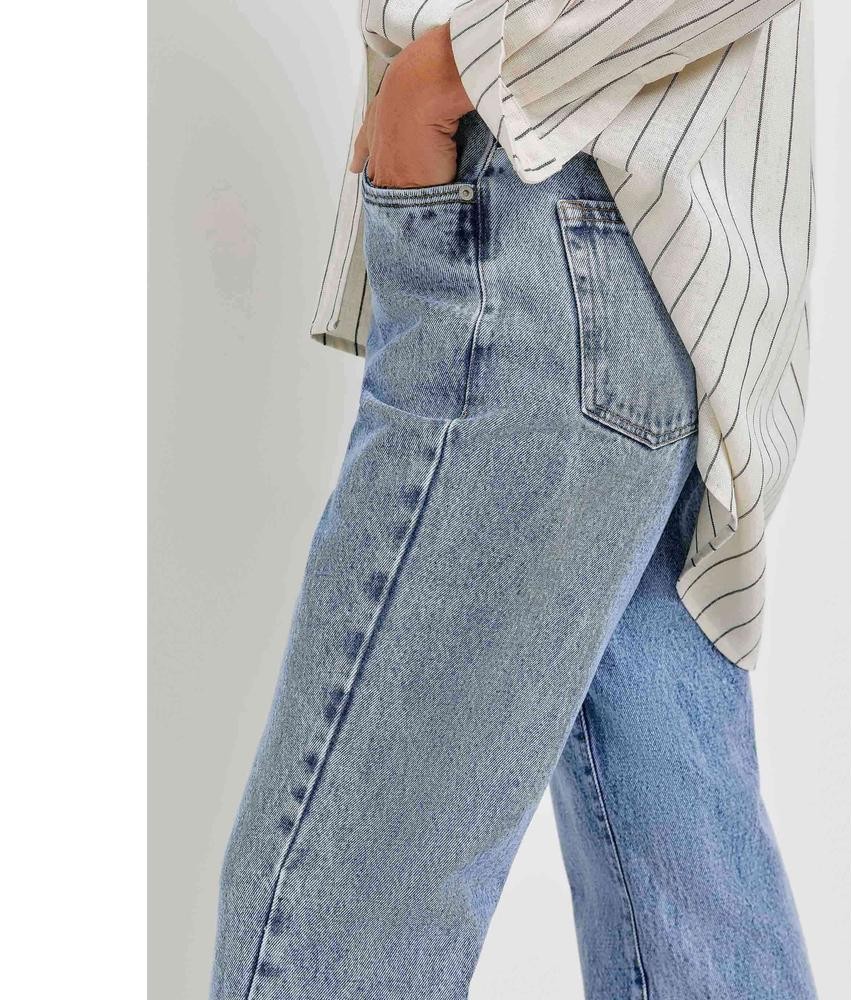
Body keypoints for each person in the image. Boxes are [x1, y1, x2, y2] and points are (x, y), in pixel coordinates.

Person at [211, 2, 817, 998]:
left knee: (320, 920)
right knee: (690, 922)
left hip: (540, 226)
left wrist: (448, 75)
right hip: (646, 264)